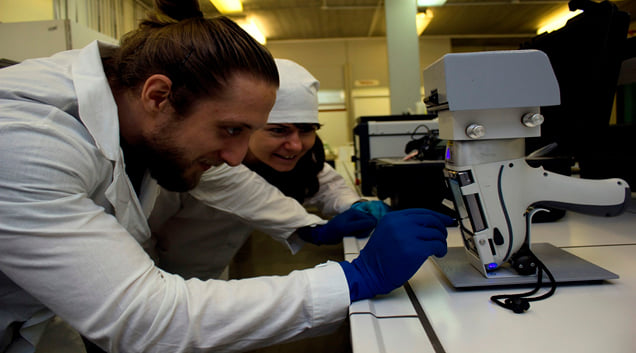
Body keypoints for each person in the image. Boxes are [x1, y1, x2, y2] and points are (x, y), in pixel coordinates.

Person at [0, 1, 453, 353]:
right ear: (158, 95)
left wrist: (313, 227)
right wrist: (351, 279)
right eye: (232, 130)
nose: (238, 157)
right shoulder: (26, 141)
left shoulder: (145, 121)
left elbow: (238, 181)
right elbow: (145, 320)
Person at [151, 58, 392, 281]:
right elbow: (248, 192)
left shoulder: (294, 158)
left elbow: (327, 185)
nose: (296, 145)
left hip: (214, 276)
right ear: (247, 126)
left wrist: (353, 205)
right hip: (157, 277)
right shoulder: (208, 162)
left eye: (306, 130)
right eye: (278, 130)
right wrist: (313, 229)